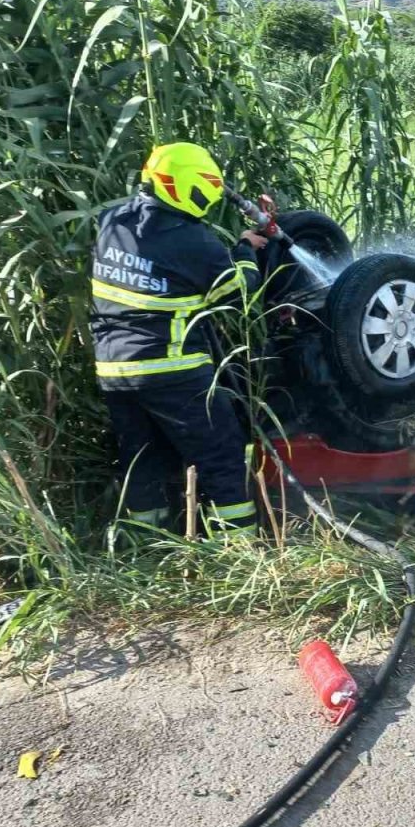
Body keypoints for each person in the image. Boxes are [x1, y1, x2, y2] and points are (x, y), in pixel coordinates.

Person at [90, 142, 269, 536]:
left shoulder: (111, 221)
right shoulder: (193, 241)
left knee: (143, 460)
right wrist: (244, 249)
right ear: (187, 188)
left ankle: (145, 544)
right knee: (222, 454)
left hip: (114, 370)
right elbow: (238, 292)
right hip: (172, 368)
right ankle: (238, 550)